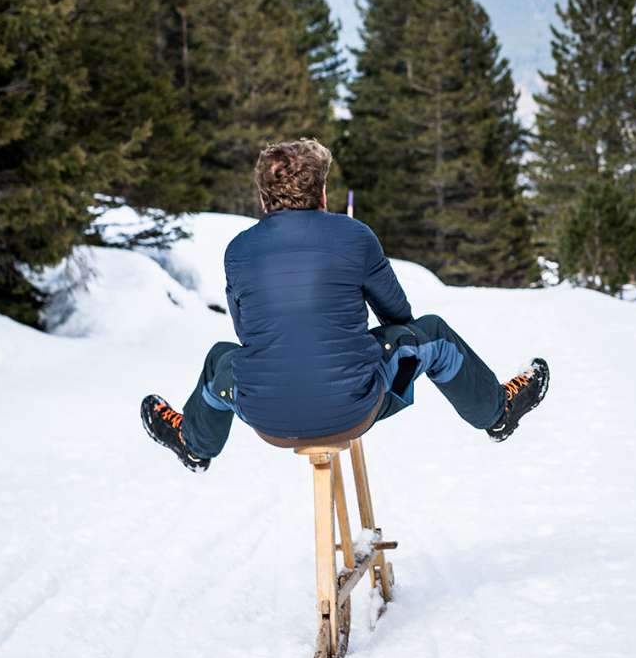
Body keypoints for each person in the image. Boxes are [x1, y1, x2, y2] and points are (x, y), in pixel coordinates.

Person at [139, 139, 549, 471]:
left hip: (267, 418)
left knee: (220, 361)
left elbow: (249, 335)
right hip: (357, 408)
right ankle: (498, 412)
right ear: (322, 193)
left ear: (264, 201)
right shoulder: (355, 236)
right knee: (433, 334)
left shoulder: (238, 251)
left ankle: (195, 444)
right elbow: (397, 317)